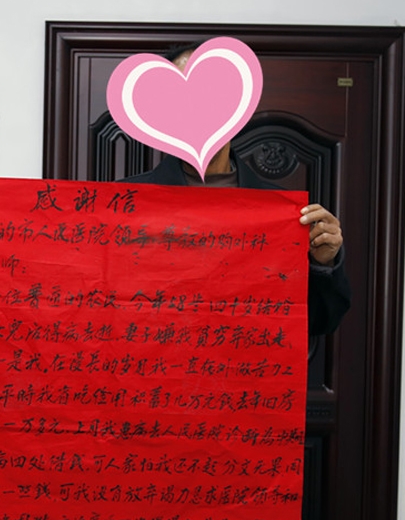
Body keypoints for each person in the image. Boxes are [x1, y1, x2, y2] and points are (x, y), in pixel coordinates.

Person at [122, 45, 350, 335]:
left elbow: (318, 323)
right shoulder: (124, 205)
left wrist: (323, 264)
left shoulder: (284, 214)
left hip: (246, 361)